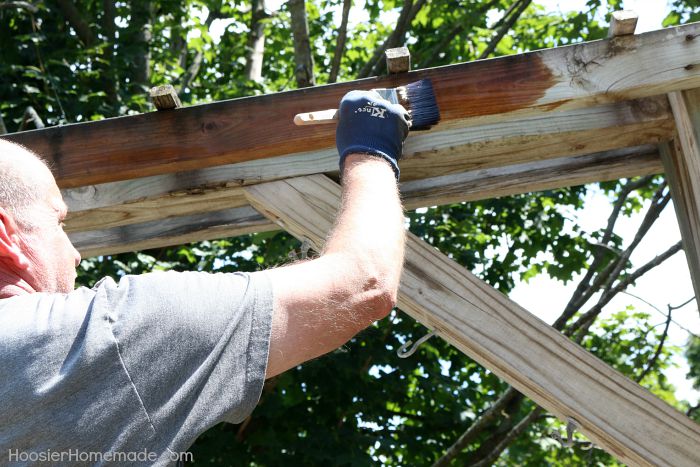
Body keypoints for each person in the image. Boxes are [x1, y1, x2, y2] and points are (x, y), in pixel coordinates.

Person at [0, 90, 409, 465]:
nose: (75, 253)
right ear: (6, 237)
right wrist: (371, 148)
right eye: (59, 222)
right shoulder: (96, 336)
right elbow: (364, 282)